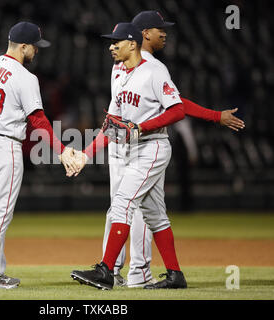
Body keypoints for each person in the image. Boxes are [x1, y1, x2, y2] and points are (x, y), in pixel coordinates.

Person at [71, 12, 245, 289]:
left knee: (122, 204)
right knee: (154, 215)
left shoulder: (154, 69)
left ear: (133, 42)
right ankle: (175, 275)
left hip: (151, 147)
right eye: (111, 42)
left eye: (117, 42)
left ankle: (106, 271)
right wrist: (85, 154)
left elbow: (176, 108)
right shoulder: (119, 70)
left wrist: (142, 127)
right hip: (127, 148)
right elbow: (112, 123)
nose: (111, 46)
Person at [0, 21, 79, 289]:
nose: (37, 52)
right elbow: (38, 120)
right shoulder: (25, 76)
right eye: (35, 47)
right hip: (3, 147)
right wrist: (62, 150)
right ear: (23, 46)